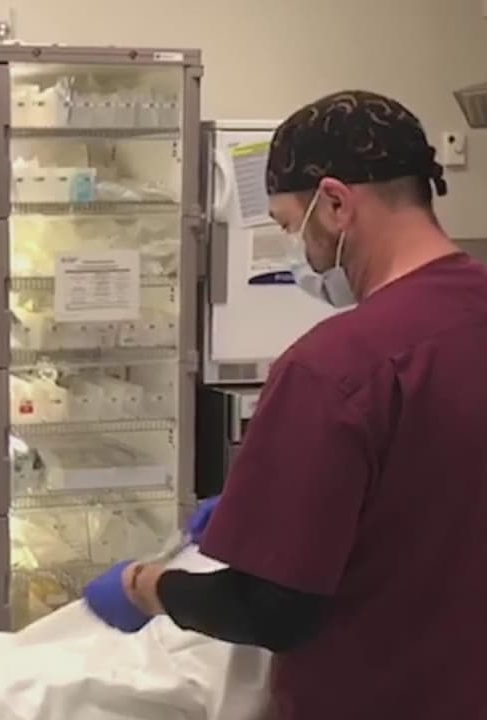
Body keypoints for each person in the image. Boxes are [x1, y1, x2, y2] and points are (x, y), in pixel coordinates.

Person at [83, 89, 487, 719]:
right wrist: (269, 511)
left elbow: (273, 611)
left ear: (335, 204)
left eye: (288, 226)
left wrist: (146, 587)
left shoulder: (336, 367)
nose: (298, 251)